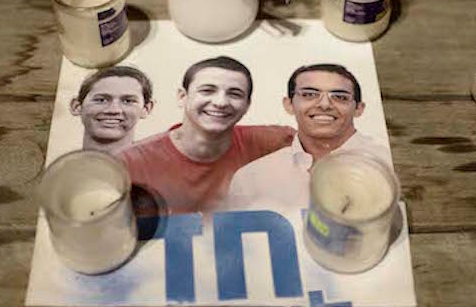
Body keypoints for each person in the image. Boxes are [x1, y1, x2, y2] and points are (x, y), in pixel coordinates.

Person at [112, 56, 295, 214]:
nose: (221, 102)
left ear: (247, 105)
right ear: (182, 97)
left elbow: (316, 146)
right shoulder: (130, 162)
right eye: (207, 90)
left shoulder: (271, 142)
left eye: (235, 94)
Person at [225, 63, 391, 210]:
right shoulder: (251, 177)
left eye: (340, 97)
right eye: (309, 94)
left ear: (359, 109)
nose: (324, 105)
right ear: (289, 104)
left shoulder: (386, 163)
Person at [70, 66, 154, 153]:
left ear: (146, 109)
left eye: (128, 101)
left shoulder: (158, 166)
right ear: (77, 106)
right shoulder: (60, 166)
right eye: (101, 100)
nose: (113, 110)